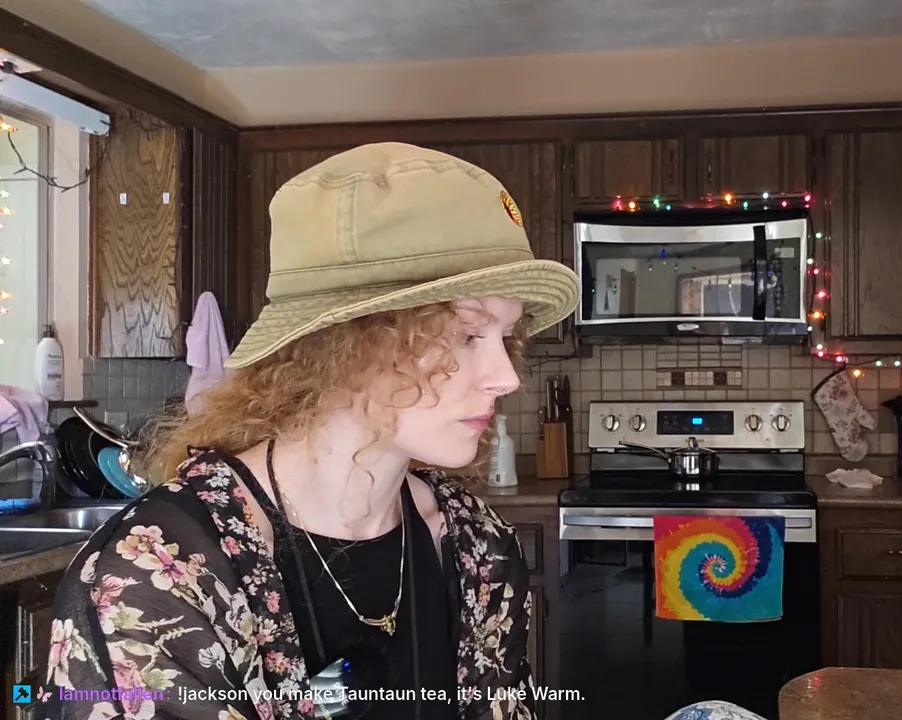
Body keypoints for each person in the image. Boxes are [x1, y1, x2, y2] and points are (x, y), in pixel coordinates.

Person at [32, 142, 580, 720]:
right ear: (343, 344)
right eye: (466, 335)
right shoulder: (155, 579)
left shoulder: (476, 546)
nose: (506, 377)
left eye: (505, 338)